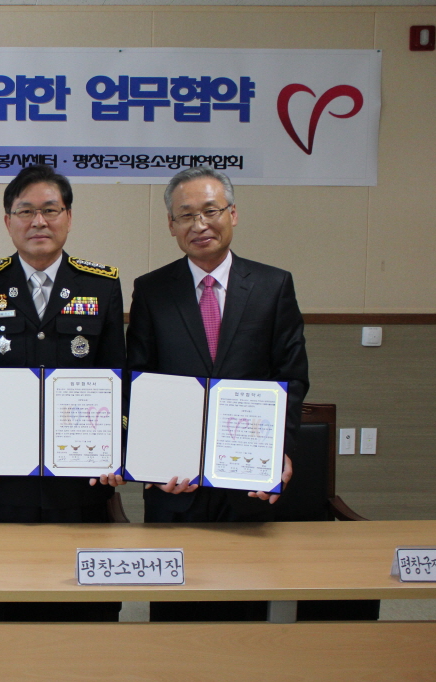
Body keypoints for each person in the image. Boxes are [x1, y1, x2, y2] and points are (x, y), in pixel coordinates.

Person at [126, 166, 309, 621]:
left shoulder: (273, 286)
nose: (200, 224)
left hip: (246, 482)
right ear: (171, 225)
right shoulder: (151, 290)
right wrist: (149, 460)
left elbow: (291, 377)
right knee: (173, 612)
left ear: (233, 214)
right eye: (186, 215)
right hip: (173, 485)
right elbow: (138, 381)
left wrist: (279, 452)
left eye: (211, 211)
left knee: (243, 607)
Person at [0, 163, 125, 622]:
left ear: (69, 216)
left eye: (50, 210)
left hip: (82, 483)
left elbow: (118, 378)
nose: (39, 221)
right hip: (1, 480)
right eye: (25, 211)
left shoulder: (101, 284)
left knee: (83, 613)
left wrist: (117, 448)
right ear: (7, 220)